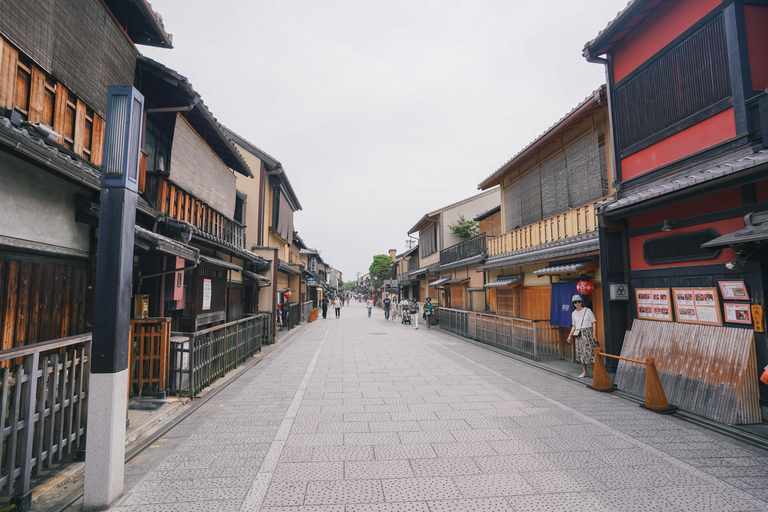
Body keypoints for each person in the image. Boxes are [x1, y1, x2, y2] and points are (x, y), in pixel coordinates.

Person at [566, 294, 598, 378]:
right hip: (579, 334)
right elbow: (574, 326)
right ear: (573, 303)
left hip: (588, 333)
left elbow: (593, 322)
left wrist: (594, 334)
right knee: (580, 353)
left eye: (579, 301)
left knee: (590, 352)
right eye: (575, 302)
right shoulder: (573, 313)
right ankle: (585, 371)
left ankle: (594, 371)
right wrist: (569, 336)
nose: (577, 303)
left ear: (582, 302)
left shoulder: (588, 310)